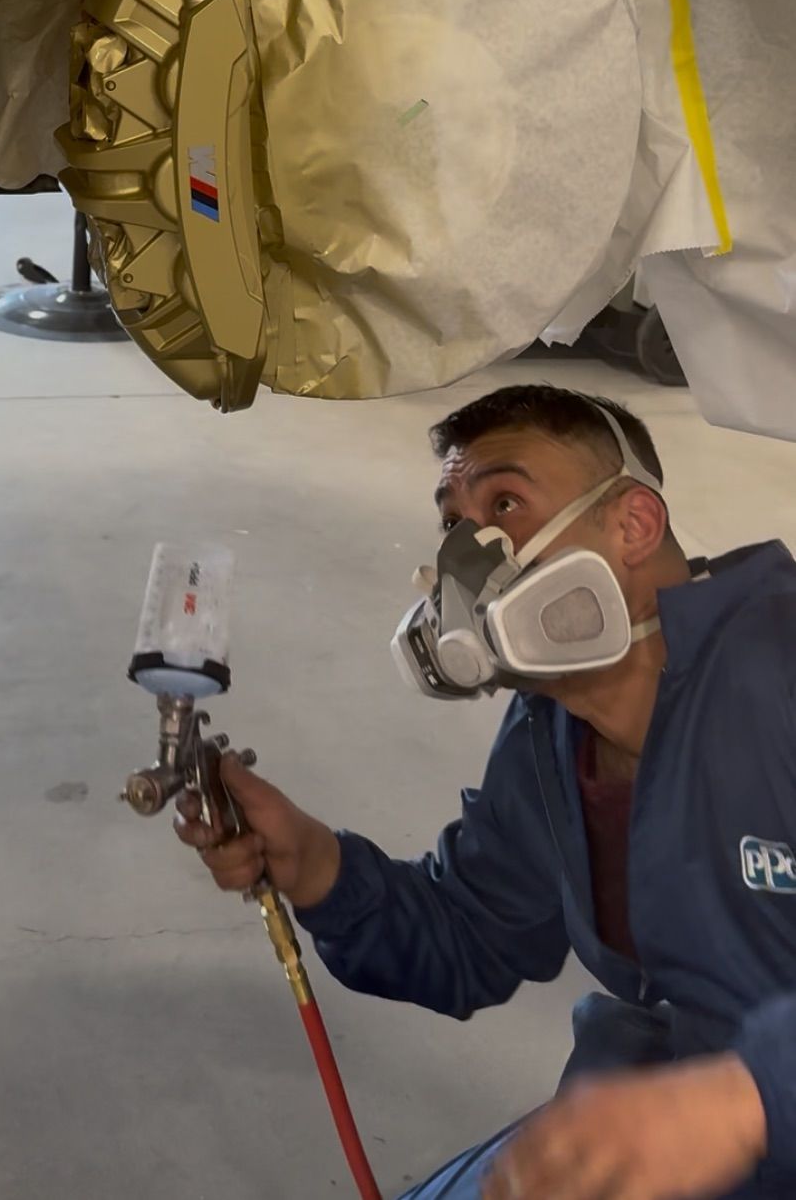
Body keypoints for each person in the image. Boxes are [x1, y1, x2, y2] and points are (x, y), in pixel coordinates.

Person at [176, 384, 796, 1200]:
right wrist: (316, 862)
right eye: (455, 522)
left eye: (506, 501)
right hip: (651, 1125)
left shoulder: (775, 664)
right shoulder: (551, 731)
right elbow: (478, 931)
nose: (472, 555)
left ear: (634, 523)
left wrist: (744, 1101)